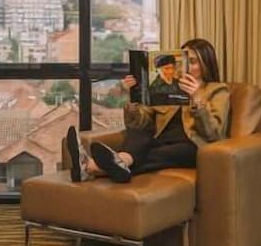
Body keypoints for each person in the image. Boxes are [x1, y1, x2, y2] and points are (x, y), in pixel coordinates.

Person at [66, 38, 230, 184]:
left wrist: (197, 98)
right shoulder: (166, 86)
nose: (187, 67)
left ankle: (92, 166)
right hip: (160, 138)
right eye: (185, 61)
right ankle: (117, 163)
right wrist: (133, 96)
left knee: (158, 153)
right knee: (138, 133)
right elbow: (139, 123)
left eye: (193, 62)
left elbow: (213, 133)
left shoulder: (217, 90)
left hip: (190, 144)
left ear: (205, 64)